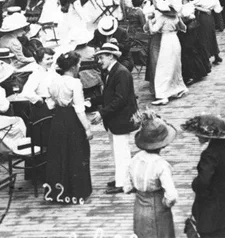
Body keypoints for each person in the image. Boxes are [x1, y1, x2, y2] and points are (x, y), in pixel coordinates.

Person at [182, 114, 225, 238]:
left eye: (199, 134)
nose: (197, 136)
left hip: (212, 214)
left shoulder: (209, 154)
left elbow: (203, 182)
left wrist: (194, 184)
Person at [90, 41, 138, 195]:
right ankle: (121, 178)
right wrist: (91, 102)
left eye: (102, 58)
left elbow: (120, 99)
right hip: (115, 120)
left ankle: (124, 183)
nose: (99, 61)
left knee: (121, 151)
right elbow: (108, 95)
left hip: (121, 119)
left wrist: (102, 112)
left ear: (111, 56)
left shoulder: (121, 72)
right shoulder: (113, 71)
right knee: (117, 151)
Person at [44, 51, 93, 204]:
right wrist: (87, 128)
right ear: (72, 67)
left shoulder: (54, 81)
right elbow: (79, 108)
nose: (79, 66)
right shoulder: (75, 83)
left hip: (58, 118)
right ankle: (77, 192)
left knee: (59, 153)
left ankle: (57, 192)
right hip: (72, 120)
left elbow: (50, 102)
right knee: (76, 153)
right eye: (78, 64)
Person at [124, 112, 179, 238]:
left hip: (139, 208)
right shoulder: (161, 165)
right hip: (157, 209)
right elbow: (171, 195)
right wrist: (165, 203)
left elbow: (127, 186)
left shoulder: (135, 159)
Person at [149, 0, 188, 106]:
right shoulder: (176, 16)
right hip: (175, 40)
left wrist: (149, 21)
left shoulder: (161, 18)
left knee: (164, 67)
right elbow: (183, 28)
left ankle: (163, 95)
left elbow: (153, 30)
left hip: (166, 40)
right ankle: (178, 87)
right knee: (175, 65)